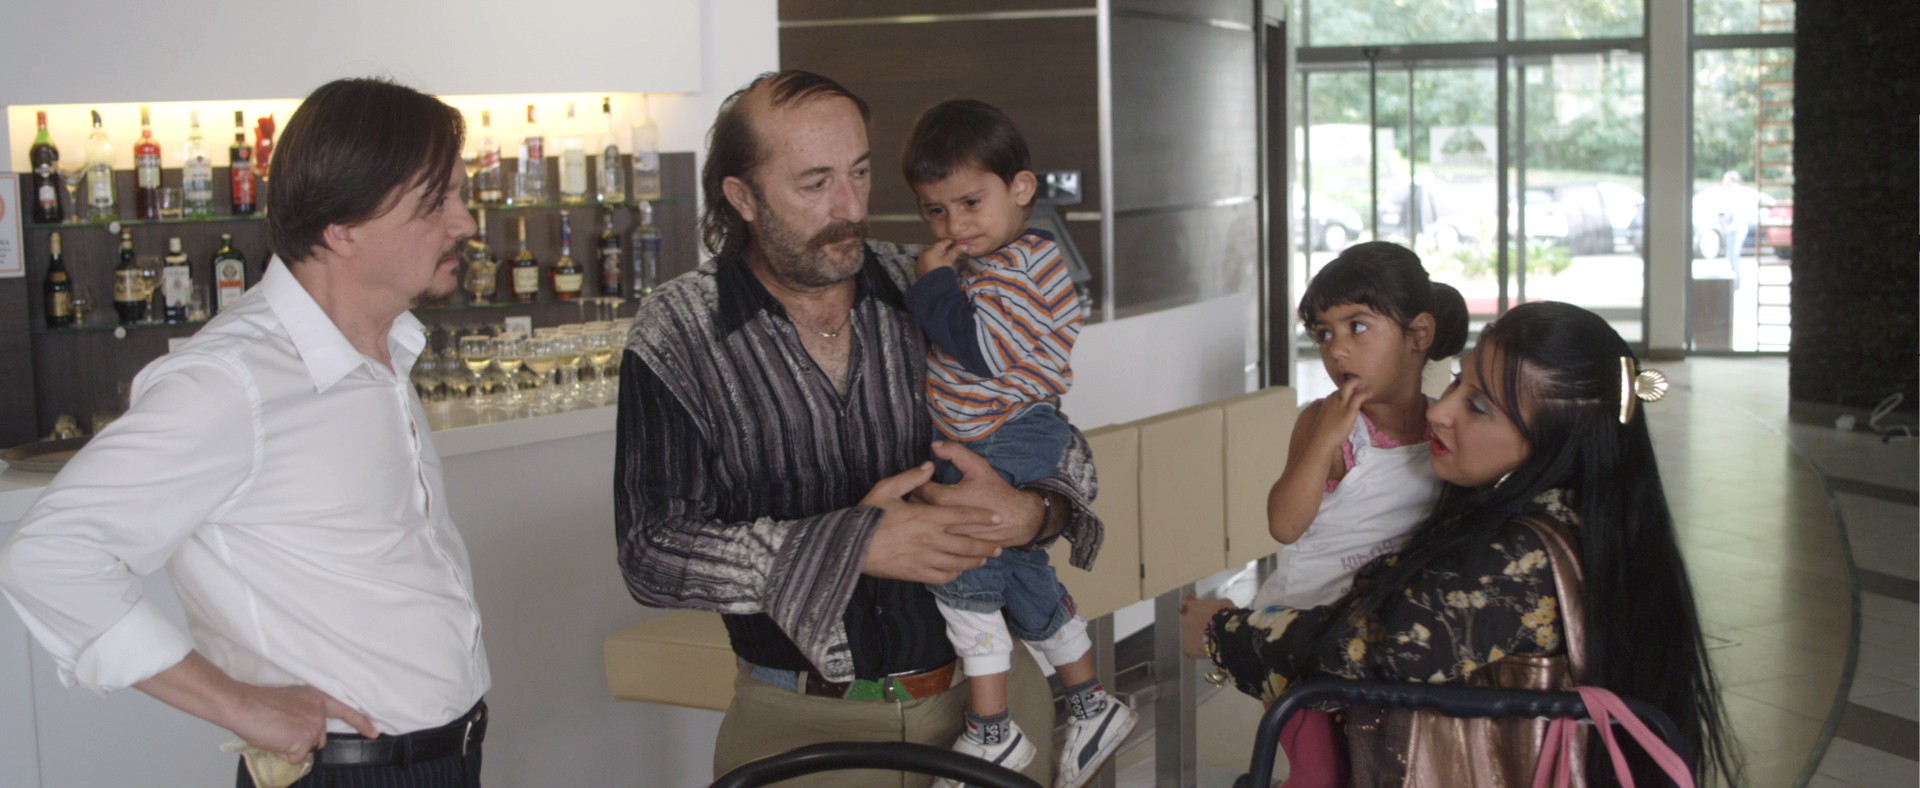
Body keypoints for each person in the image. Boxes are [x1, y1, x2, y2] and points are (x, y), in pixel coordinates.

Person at [613, 71, 1104, 788]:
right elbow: (652, 554)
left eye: (861, 173)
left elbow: (1061, 441)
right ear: (743, 197)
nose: (849, 207)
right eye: (815, 183)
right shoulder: (679, 331)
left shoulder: (936, 285)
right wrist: (852, 546)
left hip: (992, 711)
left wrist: (1034, 510)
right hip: (798, 730)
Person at [0, 77, 490, 787]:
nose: (465, 223)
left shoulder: (385, 349)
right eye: (436, 201)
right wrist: (239, 705)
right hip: (344, 773)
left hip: (447, 757)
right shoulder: (231, 381)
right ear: (342, 227)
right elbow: (49, 556)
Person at [1181, 302, 1737, 786]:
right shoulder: (1575, 518)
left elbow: (1357, 651)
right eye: (1456, 383)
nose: (1439, 411)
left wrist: (1220, 632)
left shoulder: (1520, 561)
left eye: (1479, 406)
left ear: (1553, 443)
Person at [899, 99, 1134, 787]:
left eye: (971, 202)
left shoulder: (1026, 265)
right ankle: (1089, 703)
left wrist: (931, 284)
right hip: (1000, 431)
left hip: (1008, 432)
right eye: (936, 210)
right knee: (1024, 575)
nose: (955, 225)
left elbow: (979, 349)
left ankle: (992, 730)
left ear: (1022, 188)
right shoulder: (1001, 262)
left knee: (962, 566)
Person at [1251, 241, 1465, 787]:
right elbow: (1284, 524)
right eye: (1324, 334)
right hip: (1303, 632)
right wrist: (1325, 439)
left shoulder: (1443, 424)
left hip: (1383, 638)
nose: (1338, 351)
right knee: (1320, 773)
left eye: (1358, 327)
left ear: (1419, 334)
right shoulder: (1327, 425)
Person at [1711, 170, 1773, 288]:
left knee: (1733, 256)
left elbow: (1730, 212)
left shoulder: (1734, 193)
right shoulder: (1740, 192)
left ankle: (1735, 283)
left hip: (1734, 228)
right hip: (1737, 228)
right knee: (1733, 256)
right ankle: (1735, 282)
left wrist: (1724, 220)